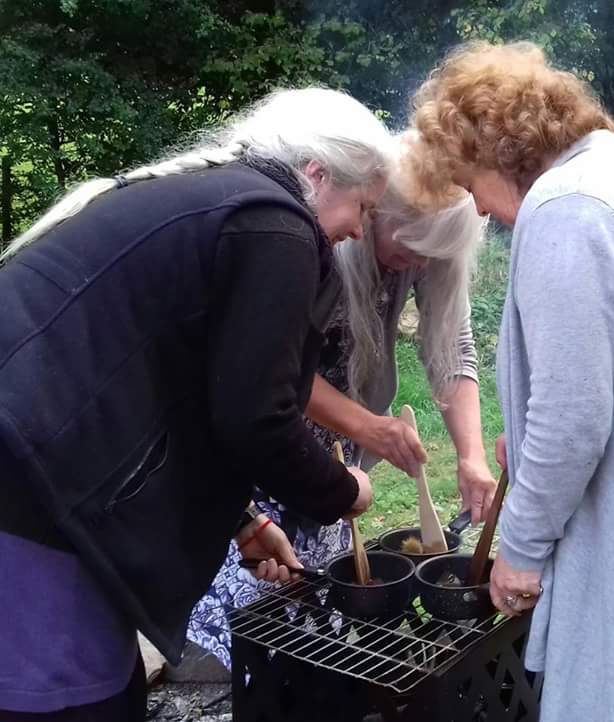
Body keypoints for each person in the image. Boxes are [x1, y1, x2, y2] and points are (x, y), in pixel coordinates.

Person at [0, 87, 391, 720]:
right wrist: (345, 492)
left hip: (47, 474)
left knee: (110, 691)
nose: (358, 230)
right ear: (317, 175)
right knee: (71, 703)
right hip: (29, 490)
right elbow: (256, 420)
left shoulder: (217, 203)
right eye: (364, 207)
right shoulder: (278, 224)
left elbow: (173, 395)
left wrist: (244, 520)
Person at [410, 40, 614, 722]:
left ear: (494, 152)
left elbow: (572, 416)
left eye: (468, 185)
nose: (481, 212)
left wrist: (519, 552)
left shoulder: (570, 206)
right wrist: (529, 445)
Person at [188, 133, 497, 669]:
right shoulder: (318, 240)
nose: (418, 268)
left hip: (332, 457)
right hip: (263, 437)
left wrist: (470, 456)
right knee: (257, 613)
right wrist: (367, 426)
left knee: (322, 609)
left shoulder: (428, 254)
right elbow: (269, 374)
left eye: (433, 258)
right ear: (376, 213)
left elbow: (453, 352)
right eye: (411, 249)